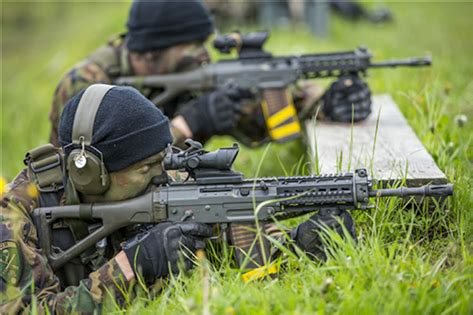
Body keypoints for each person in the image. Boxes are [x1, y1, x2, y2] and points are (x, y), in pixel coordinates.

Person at [1, 85, 355, 313]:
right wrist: (134, 266)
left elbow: (229, 242)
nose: (161, 175)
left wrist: (299, 247)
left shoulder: (159, 182)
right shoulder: (14, 217)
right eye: (146, 168)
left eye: (163, 161)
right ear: (91, 173)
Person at [49, 0, 371, 148]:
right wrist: (187, 125)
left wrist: (325, 102)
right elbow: (90, 174)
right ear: (150, 51)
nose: (204, 55)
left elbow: (260, 115)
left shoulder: (190, 72)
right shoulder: (85, 86)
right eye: (192, 46)